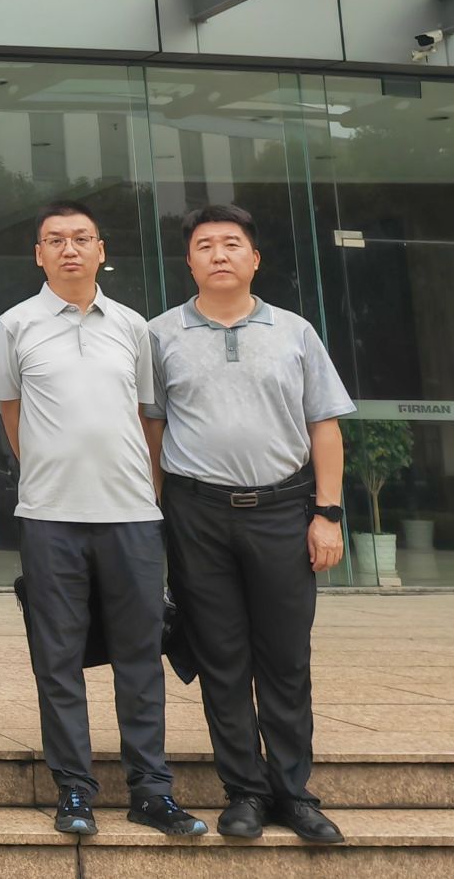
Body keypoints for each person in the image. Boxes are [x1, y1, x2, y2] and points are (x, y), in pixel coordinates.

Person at [0, 199, 204, 838]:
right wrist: (51, 473)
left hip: (131, 516)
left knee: (140, 657)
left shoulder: (133, 326)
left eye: (81, 238)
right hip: (49, 515)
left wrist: (144, 488)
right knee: (57, 660)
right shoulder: (13, 325)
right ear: (38, 254)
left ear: (100, 250)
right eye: (55, 239)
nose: (70, 249)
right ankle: (74, 791)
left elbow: (145, 416)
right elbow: (12, 415)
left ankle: (152, 791)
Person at [146, 204, 350, 844]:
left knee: (285, 657)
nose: (219, 254)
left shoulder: (294, 332)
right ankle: (245, 792)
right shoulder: (159, 335)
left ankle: (294, 792)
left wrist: (327, 513)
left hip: (284, 510)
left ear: (254, 258)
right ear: (189, 262)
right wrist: (153, 519)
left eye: (232, 243)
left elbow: (324, 426)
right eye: (205, 245)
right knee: (221, 656)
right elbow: (152, 431)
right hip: (196, 513)